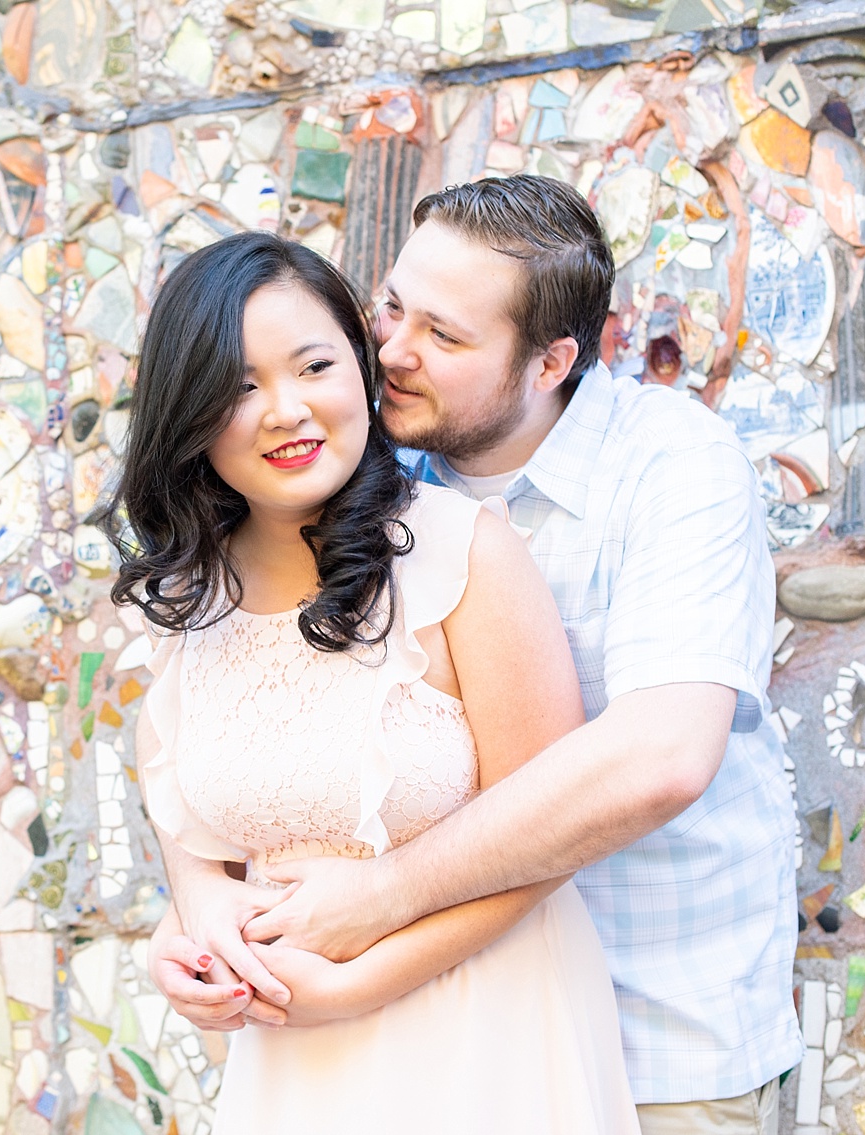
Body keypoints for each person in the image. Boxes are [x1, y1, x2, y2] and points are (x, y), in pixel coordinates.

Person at [148, 176, 801, 1135]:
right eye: (394, 308)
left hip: (666, 1030)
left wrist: (379, 900)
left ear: (552, 363)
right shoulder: (371, 469)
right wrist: (199, 906)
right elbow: (252, 733)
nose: (395, 353)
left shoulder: (672, 465)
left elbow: (661, 757)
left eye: (445, 337)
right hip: (412, 1022)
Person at [101, 229, 639, 1130]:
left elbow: (552, 838)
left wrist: (358, 984)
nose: (287, 409)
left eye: (314, 365)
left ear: (360, 365)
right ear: (187, 413)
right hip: (293, 1055)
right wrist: (187, 929)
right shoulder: (185, 601)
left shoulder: (465, 551)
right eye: (238, 386)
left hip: (483, 1033)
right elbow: (208, 844)